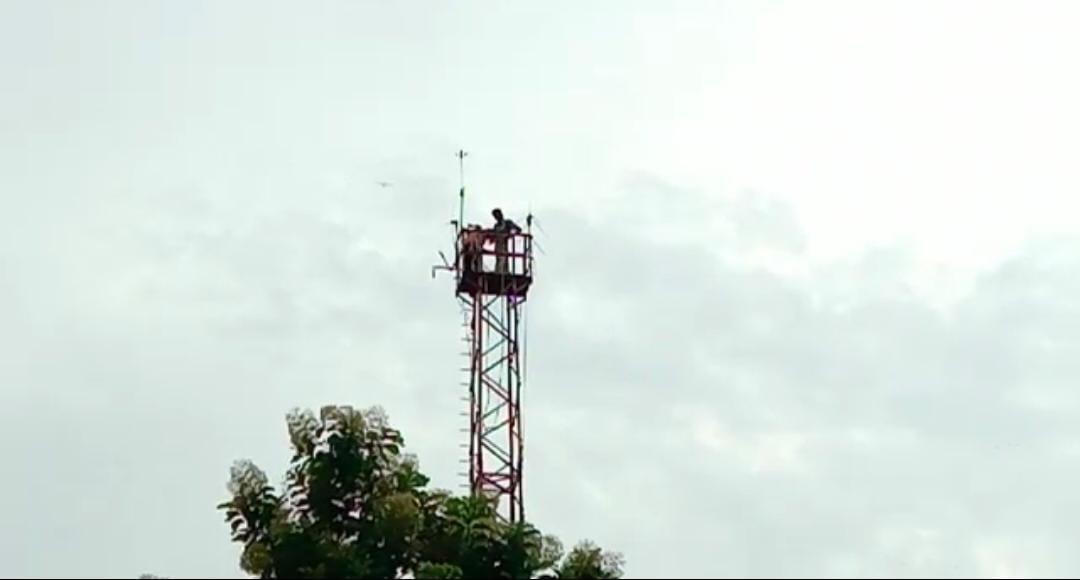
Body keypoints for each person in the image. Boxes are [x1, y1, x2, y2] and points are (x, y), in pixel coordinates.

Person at [491, 208, 521, 274]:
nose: (496, 217)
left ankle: (501, 272)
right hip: (498, 245)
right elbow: (492, 234)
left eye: (497, 215)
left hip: (504, 244)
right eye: (495, 216)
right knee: (499, 259)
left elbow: (518, 229)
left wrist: (510, 235)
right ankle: (499, 272)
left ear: (501, 214)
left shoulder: (507, 223)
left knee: (503, 259)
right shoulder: (496, 226)